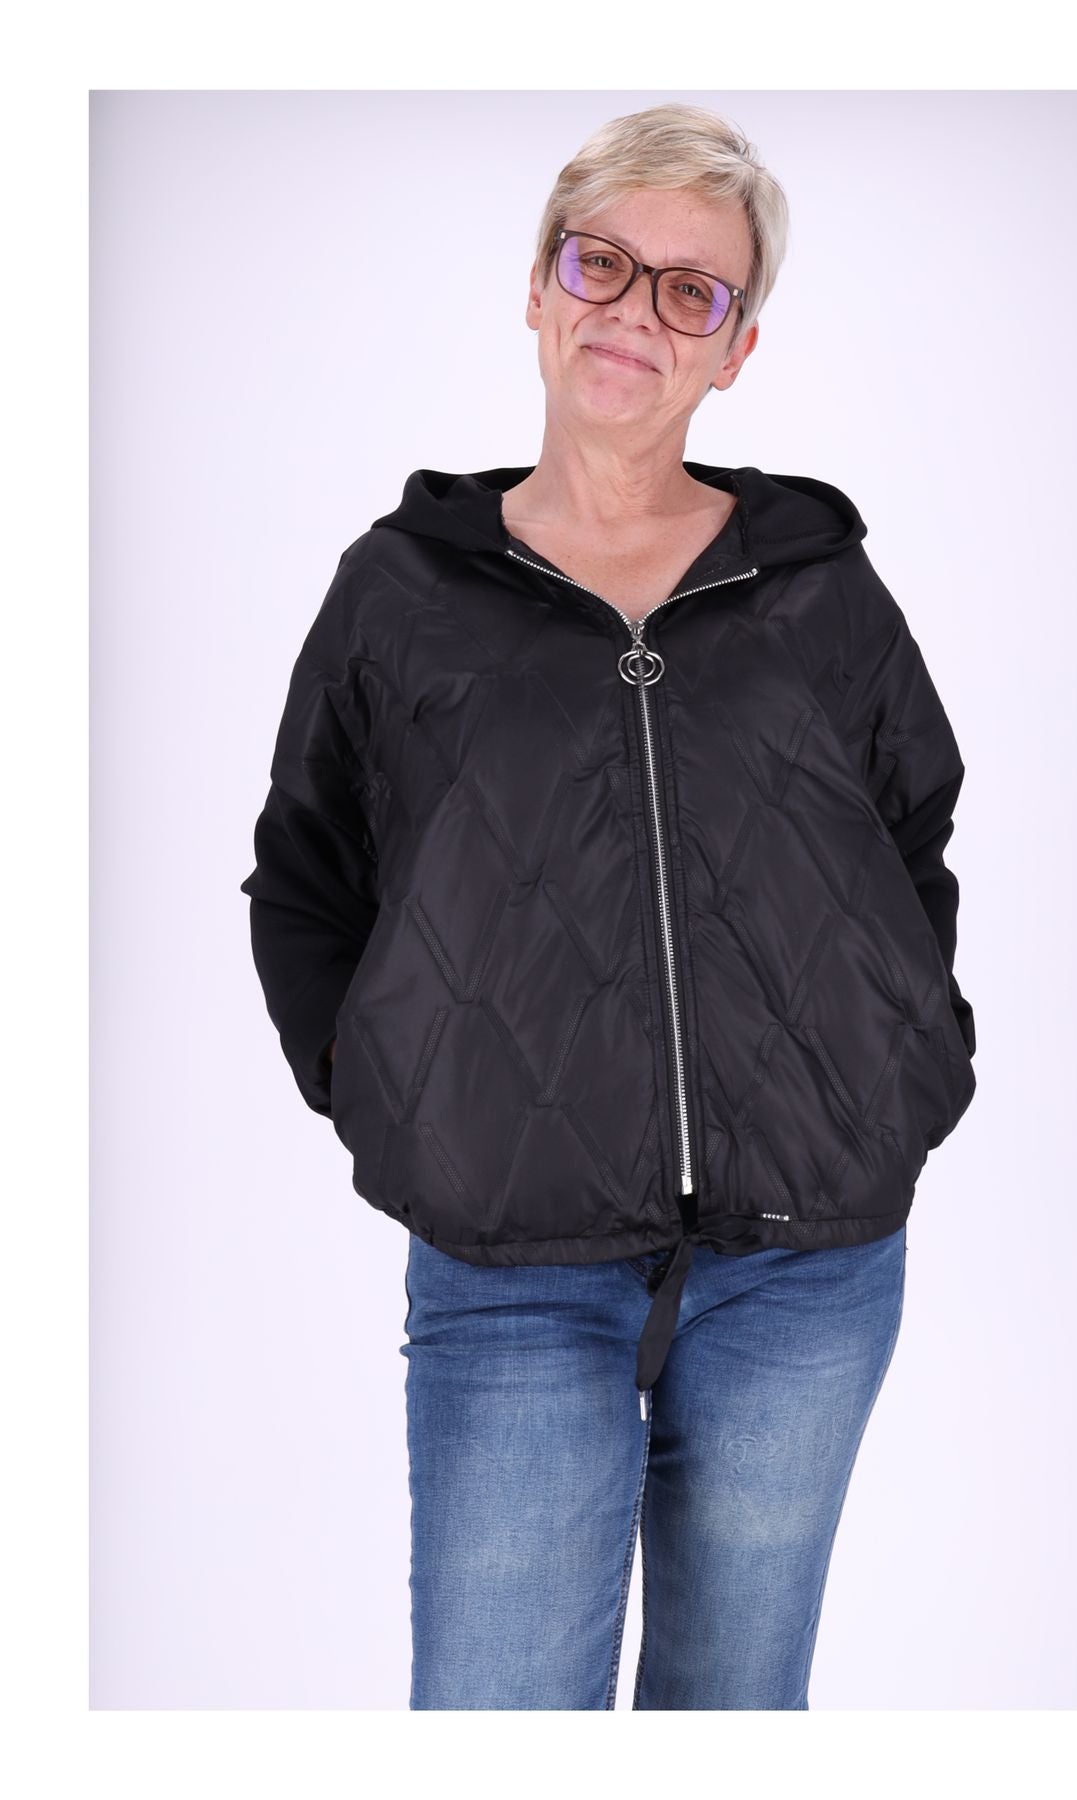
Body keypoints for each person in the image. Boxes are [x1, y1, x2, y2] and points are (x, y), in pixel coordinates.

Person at [239, 102, 977, 1710]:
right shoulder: (403, 591)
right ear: (537, 287)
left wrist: (898, 1061)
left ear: (736, 348)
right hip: (511, 1257)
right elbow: (306, 868)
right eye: (602, 263)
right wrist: (387, 1089)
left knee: (734, 1706)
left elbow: (910, 833)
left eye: (689, 289)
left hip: (807, 1258)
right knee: (496, 1711)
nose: (636, 309)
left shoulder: (816, 588)